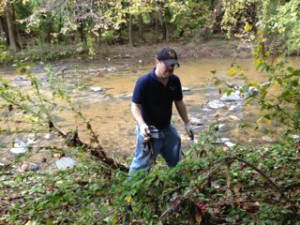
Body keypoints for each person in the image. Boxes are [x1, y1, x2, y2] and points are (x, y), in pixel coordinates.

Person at [129, 47, 194, 174]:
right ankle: (132, 190)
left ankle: (178, 183)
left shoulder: (174, 81)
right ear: (157, 62)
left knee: (176, 159)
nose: (170, 68)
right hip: (149, 129)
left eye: (173, 65)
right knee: (141, 164)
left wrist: (187, 123)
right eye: (168, 65)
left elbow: (179, 102)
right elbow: (135, 106)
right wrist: (142, 125)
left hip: (167, 127)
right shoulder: (144, 82)